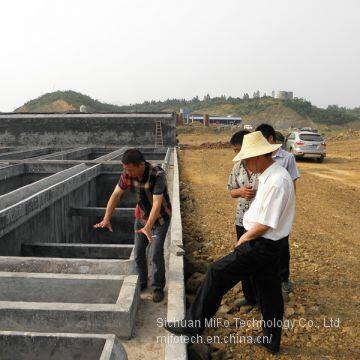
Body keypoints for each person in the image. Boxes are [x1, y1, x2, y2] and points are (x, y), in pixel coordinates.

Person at [165, 131, 296, 354]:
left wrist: (244, 238)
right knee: (269, 291)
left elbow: (266, 223)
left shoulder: (276, 181)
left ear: (257, 157)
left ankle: (192, 326)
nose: (244, 163)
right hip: (270, 245)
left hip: (261, 244)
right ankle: (271, 340)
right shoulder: (271, 176)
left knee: (217, 272)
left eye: (245, 159)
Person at [93, 149, 172, 303]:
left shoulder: (157, 174)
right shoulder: (127, 175)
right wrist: (106, 218)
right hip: (141, 216)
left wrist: (148, 227)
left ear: (141, 165)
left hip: (161, 218)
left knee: (156, 253)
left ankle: (157, 287)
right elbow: (116, 195)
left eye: (129, 169)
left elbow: (157, 204)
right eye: (125, 168)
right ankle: (142, 282)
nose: (126, 172)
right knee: (139, 252)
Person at [256, 124, 300, 293]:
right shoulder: (258, 156)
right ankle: (265, 276)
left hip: (280, 208)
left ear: (271, 139)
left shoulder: (287, 158)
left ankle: (283, 278)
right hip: (263, 205)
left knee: (282, 243)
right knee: (264, 241)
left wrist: (288, 208)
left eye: (261, 140)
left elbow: (292, 182)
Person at [228, 130, 258, 307]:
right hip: (241, 219)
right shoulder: (237, 167)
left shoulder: (262, 166)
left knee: (259, 259)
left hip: (260, 223)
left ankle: (263, 297)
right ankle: (249, 296)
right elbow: (231, 190)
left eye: (238, 149)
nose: (236, 154)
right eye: (234, 151)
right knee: (243, 257)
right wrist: (240, 192)